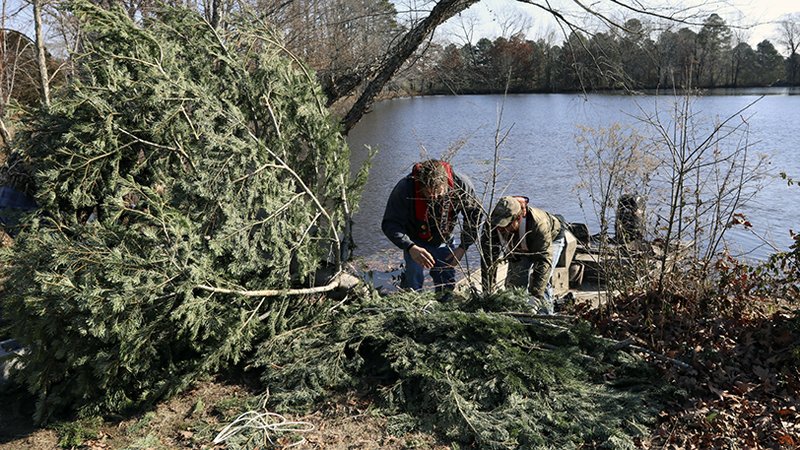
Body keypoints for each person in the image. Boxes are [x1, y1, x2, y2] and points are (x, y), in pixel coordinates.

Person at [382, 159, 481, 292]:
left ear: (445, 184)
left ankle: (444, 305)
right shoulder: (405, 188)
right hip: (415, 240)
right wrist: (410, 246)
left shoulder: (461, 184)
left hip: (444, 239)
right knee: (413, 283)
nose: (434, 197)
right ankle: (413, 306)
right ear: (420, 186)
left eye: (438, 193)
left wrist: (463, 246)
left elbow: (474, 215)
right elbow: (390, 223)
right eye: (428, 194)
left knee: (446, 282)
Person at [480, 196, 566, 314]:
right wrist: (487, 289)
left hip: (551, 238)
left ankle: (544, 317)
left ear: (518, 218)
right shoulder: (492, 225)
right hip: (519, 245)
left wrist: (535, 297)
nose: (501, 229)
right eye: (499, 226)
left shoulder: (538, 223)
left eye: (505, 225)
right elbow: (488, 259)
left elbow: (543, 262)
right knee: (515, 282)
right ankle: (517, 314)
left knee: (541, 282)